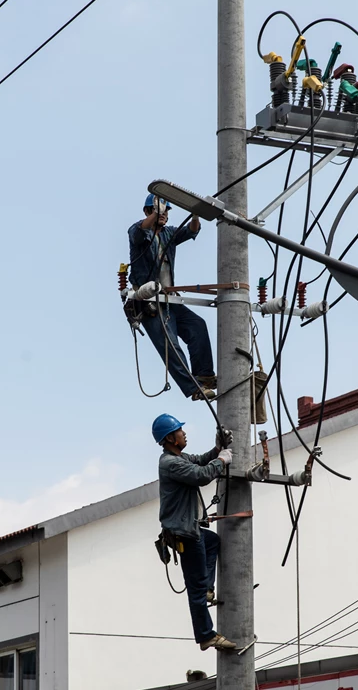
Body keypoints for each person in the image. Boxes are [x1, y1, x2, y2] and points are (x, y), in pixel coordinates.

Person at [153, 413, 237, 651]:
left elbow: (200, 461)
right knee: (196, 587)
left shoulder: (180, 457)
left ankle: (208, 589)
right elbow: (201, 475)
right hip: (184, 534)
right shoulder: (170, 463)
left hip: (189, 530)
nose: (184, 433)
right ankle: (205, 634)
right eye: (179, 431)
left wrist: (217, 449)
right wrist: (221, 461)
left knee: (212, 542)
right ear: (170, 437)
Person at [128, 194, 217, 401]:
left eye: (166, 211)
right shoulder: (137, 231)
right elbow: (139, 232)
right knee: (170, 343)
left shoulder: (169, 234)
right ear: (147, 212)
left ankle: (204, 375)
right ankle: (193, 387)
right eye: (159, 211)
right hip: (148, 300)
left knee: (197, 326)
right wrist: (157, 212)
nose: (164, 215)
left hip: (169, 299)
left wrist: (195, 214)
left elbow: (192, 230)